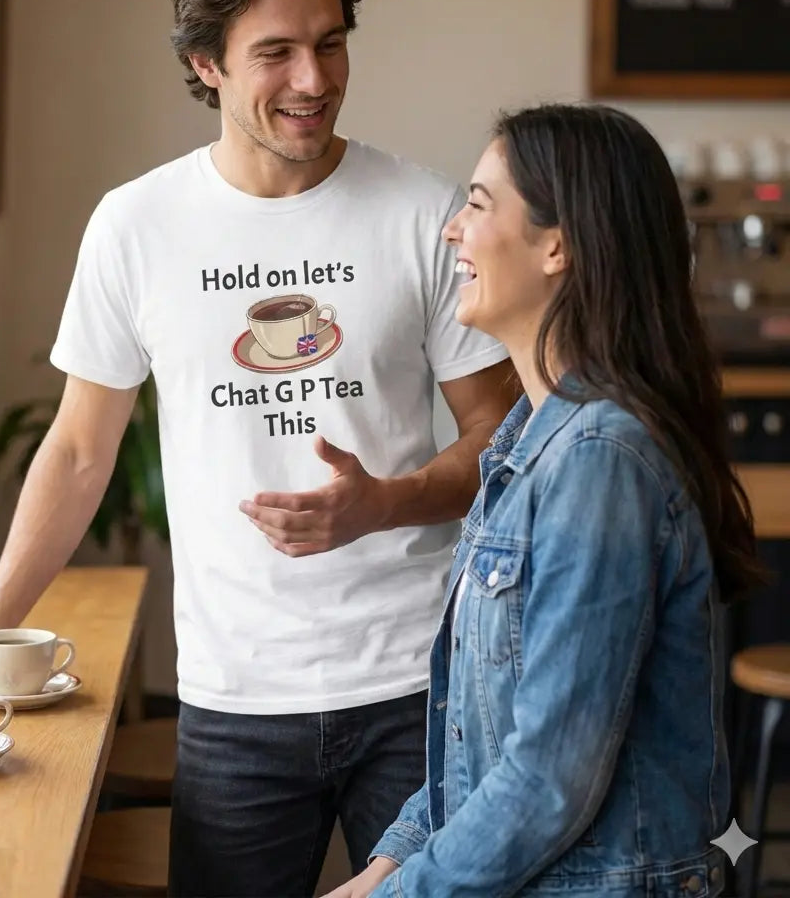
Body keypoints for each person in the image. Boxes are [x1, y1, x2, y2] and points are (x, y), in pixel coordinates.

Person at [0, 0, 514, 897]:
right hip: (233, 694)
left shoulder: (423, 211)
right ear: (206, 63)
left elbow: (499, 435)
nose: (313, 80)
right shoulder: (137, 226)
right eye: (275, 52)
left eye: (331, 45)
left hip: (418, 685)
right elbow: (80, 452)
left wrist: (382, 501)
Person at [326, 103, 766, 898]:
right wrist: (388, 866)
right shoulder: (525, 444)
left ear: (558, 246)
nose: (452, 229)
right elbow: (481, 741)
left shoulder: (600, 461)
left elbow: (547, 780)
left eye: (479, 203)